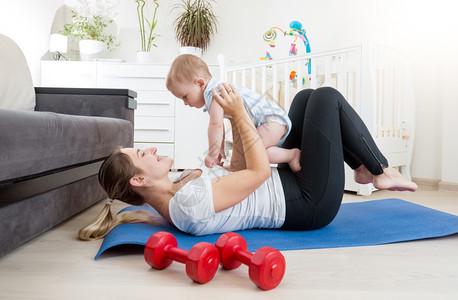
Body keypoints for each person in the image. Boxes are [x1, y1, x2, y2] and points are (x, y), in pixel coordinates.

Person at [78, 85, 417, 240]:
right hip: (308, 204)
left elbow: (242, 169)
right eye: (141, 155)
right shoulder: (187, 205)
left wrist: (235, 126)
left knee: (305, 98)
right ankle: (379, 170)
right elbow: (255, 173)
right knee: (326, 98)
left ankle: (362, 168)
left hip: (289, 184)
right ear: (138, 180)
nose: (150, 149)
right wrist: (239, 116)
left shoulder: (182, 188)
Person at [165, 54, 301, 172]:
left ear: (200, 84)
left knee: (253, 154)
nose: (185, 103)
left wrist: (212, 153)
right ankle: (287, 155)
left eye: (185, 96)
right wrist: (220, 147)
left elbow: (216, 125)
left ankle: (291, 155)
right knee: (256, 154)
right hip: (269, 122)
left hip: (270, 121)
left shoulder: (215, 94)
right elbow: (220, 127)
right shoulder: (215, 93)